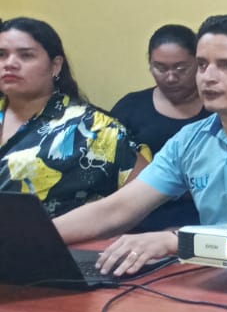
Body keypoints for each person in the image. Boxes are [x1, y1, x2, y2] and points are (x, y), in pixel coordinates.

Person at [53, 14, 227, 273]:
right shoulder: (190, 139)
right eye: (202, 65)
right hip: (216, 274)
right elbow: (119, 208)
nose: (208, 77)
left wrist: (171, 240)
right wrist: (38, 236)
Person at [1, 17, 145, 215]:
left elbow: (146, 195)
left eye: (26, 56)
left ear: (55, 66)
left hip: (52, 233)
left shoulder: (95, 128)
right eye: (1, 55)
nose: (9, 64)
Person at [110, 24, 208, 229]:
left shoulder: (217, 110)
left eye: (181, 68)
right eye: (160, 68)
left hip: (204, 221)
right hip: (137, 219)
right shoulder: (130, 107)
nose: (171, 77)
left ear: (199, 64)